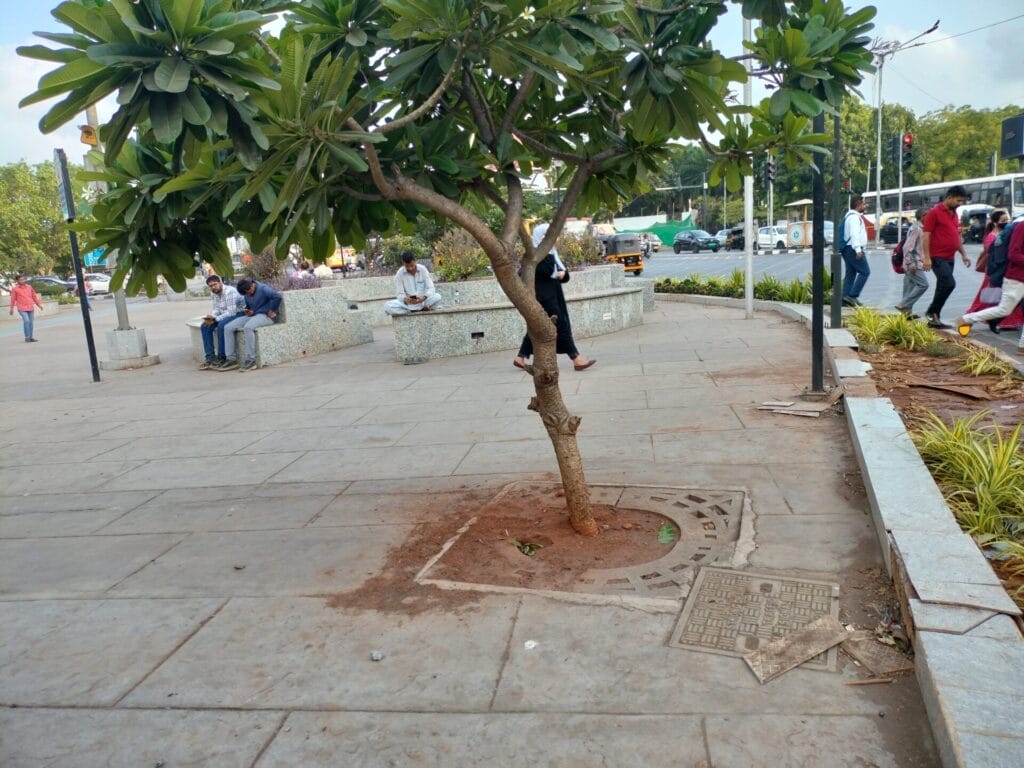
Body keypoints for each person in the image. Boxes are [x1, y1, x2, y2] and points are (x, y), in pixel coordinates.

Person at [514, 222, 596, 371]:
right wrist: (556, 272)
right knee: (561, 325)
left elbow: (563, 273)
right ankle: (576, 358)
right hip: (545, 298)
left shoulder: (551, 253)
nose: (552, 239)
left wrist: (563, 274)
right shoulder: (535, 254)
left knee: (537, 328)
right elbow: (543, 271)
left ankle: (520, 357)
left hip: (553, 295)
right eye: (547, 236)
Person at [955, 214, 1024, 352]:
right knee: (1004, 309)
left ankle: (1022, 346)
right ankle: (966, 318)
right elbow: (1013, 254)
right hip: (1016, 278)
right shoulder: (1022, 227)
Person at [921, 185, 971, 328]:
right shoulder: (934, 213)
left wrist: (964, 255)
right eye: (958, 200)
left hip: (950, 257)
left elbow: (956, 236)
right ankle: (932, 312)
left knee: (942, 286)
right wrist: (926, 258)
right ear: (949, 197)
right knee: (949, 284)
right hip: (937, 257)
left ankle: (934, 317)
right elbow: (926, 236)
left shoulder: (954, 214)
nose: (959, 204)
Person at [216, 277, 282, 372]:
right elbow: (249, 306)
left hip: (266, 316)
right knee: (228, 327)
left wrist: (273, 310)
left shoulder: (263, 288)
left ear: (252, 286)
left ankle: (251, 360)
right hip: (254, 315)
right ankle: (231, 359)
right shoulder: (246, 291)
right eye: (245, 294)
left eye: (248, 292)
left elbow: (277, 296)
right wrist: (249, 310)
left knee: (248, 327)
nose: (247, 295)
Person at [199, 275, 245, 370]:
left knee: (222, 325)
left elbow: (231, 312)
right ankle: (210, 358)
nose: (213, 287)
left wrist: (215, 319)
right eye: (210, 286)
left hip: (239, 313)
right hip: (226, 314)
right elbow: (216, 309)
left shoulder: (229, 292)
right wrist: (212, 316)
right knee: (205, 326)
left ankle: (222, 357)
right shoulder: (214, 293)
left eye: (214, 284)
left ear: (220, 282)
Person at [894, 208, 929, 319]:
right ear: (923, 216)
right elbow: (907, 247)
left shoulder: (922, 228)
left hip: (913, 262)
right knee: (923, 284)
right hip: (913, 263)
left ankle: (906, 314)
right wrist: (911, 264)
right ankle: (904, 304)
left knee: (909, 286)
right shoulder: (916, 229)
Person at [840, 195, 869, 307]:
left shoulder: (851, 217)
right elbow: (854, 234)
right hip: (852, 248)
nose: (864, 206)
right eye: (863, 204)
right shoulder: (854, 218)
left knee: (851, 274)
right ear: (858, 204)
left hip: (848, 248)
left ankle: (845, 299)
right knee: (865, 272)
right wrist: (858, 249)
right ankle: (852, 296)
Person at [8, 275, 44, 342]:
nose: (22, 281)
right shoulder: (15, 289)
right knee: (26, 321)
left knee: (30, 323)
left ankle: (31, 337)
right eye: (21, 280)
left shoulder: (29, 287)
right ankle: (27, 337)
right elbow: (12, 299)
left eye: (23, 279)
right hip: (22, 308)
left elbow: (34, 297)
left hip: (30, 307)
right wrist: (11, 308)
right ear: (17, 281)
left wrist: (39, 305)